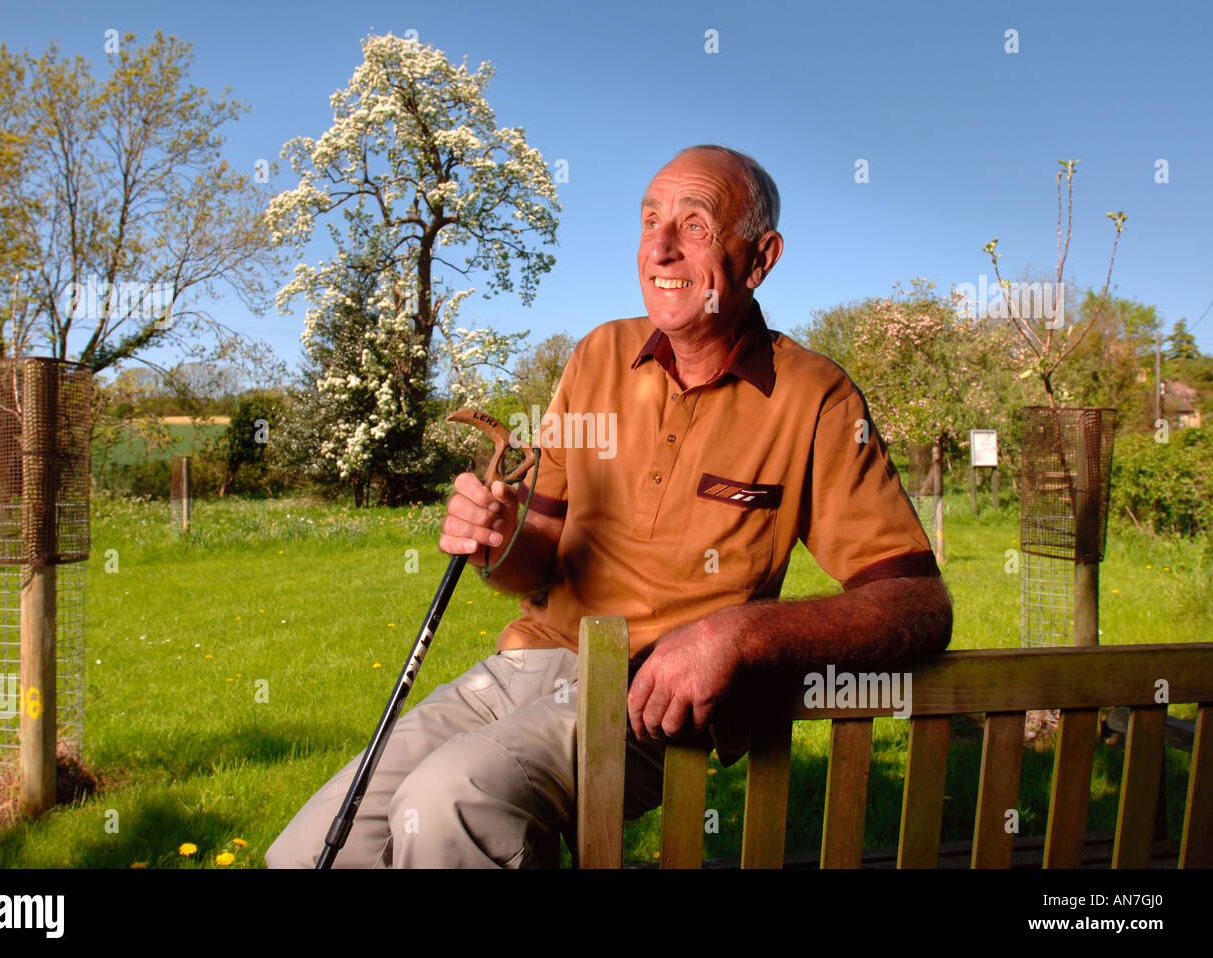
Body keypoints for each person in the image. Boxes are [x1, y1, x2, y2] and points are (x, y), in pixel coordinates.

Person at [265, 144, 952, 869]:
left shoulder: (815, 397)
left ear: (759, 259)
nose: (658, 246)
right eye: (650, 220)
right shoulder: (597, 356)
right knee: (310, 850)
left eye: (694, 224)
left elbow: (917, 604)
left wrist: (738, 636)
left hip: (640, 700)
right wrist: (499, 540)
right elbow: (540, 557)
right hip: (521, 669)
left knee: (446, 806)